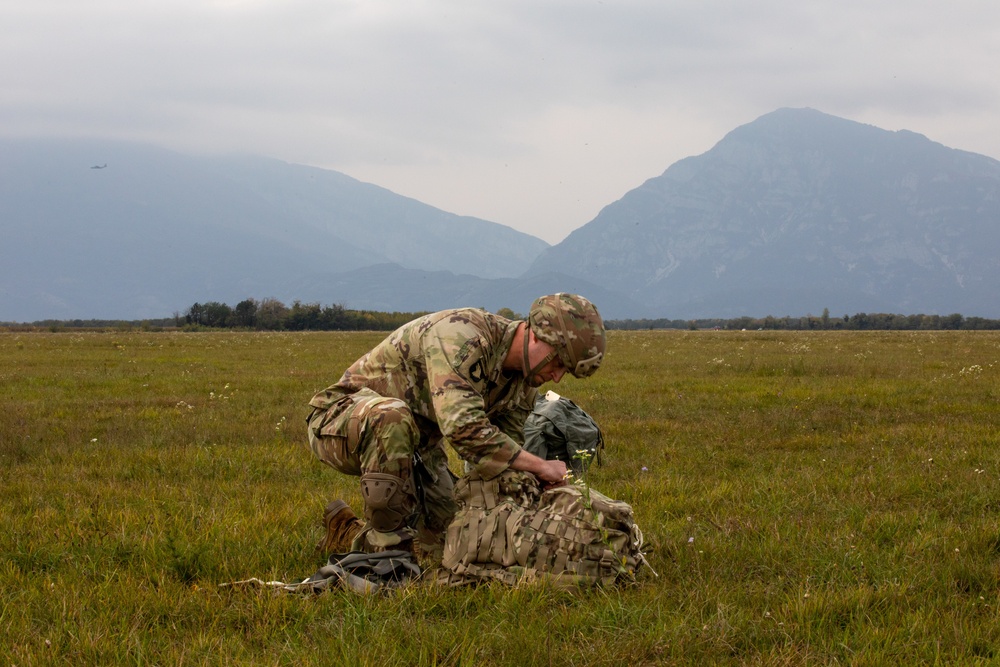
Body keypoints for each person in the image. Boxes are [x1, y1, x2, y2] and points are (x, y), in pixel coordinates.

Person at [304, 293, 606, 563]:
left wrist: (537, 487)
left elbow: (502, 457)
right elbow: (464, 429)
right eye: (559, 363)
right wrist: (541, 466)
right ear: (538, 336)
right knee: (392, 418)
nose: (556, 378)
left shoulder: (522, 385)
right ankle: (388, 558)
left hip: (418, 447)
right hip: (342, 421)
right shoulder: (463, 336)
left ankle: (345, 532)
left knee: (450, 542)